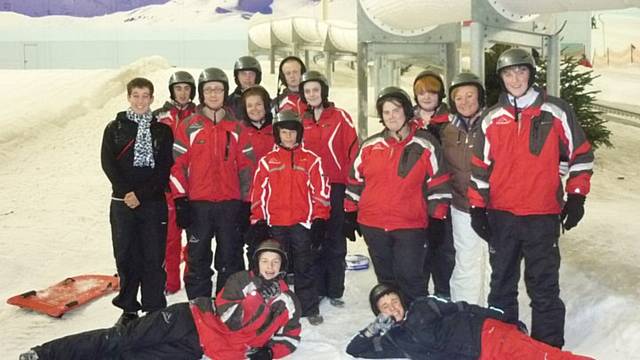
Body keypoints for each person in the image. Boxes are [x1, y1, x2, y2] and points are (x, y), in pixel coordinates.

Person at [468, 48, 595, 348]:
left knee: (544, 286)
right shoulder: (491, 118)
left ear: (531, 74)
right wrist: (477, 207)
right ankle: (503, 345)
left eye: (521, 71)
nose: (515, 78)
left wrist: (576, 197)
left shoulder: (556, 110)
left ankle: (548, 348)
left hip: (542, 214)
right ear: (501, 78)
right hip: (502, 216)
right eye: (508, 73)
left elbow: (581, 154)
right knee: (501, 285)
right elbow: (479, 169)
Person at [19, 239, 302, 360]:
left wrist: (270, 352)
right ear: (257, 263)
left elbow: (291, 337)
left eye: (275, 262)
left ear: (282, 267)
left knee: (133, 358)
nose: (269, 266)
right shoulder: (241, 280)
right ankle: (45, 354)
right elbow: (229, 319)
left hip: (198, 349)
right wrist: (258, 301)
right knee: (119, 339)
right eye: (264, 260)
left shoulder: (288, 302)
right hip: (186, 320)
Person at [344, 87, 451, 305]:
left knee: (411, 278)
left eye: (396, 110)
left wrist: (437, 218)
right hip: (373, 224)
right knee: (386, 281)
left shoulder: (425, 143)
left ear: (407, 112)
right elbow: (355, 181)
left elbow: (439, 184)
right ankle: (393, 325)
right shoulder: (370, 146)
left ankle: (418, 322)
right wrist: (349, 211)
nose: (392, 116)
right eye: (386, 112)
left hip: (409, 225)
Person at [170, 67, 253, 299]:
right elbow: (177, 167)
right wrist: (180, 200)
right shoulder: (189, 127)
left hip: (230, 204)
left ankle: (228, 305)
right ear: (202, 94)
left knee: (231, 258)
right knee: (198, 258)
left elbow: (247, 169)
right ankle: (200, 307)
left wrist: (246, 203)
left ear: (225, 93)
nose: (214, 94)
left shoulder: (237, 128)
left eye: (219, 89)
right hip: (199, 206)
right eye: (209, 90)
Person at [345, 283, 594, 359]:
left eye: (394, 300)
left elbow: (463, 307)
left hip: (487, 335)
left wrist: (504, 319)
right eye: (384, 306)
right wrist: (376, 327)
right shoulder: (393, 341)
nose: (392, 307)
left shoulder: (423, 305)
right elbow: (354, 349)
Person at [100, 77, 173, 326]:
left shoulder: (162, 131)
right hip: (122, 202)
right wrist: (127, 192)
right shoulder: (115, 128)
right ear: (129, 97)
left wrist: (140, 194)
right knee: (126, 255)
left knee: (153, 255)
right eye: (136, 95)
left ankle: (153, 304)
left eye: (145, 96)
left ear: (152, 98)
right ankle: (128, 306)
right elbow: (108, 163)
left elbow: (164, 168)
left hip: (152, 202)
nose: (141, 101)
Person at [249, 110, 330, 325]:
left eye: (292, 132)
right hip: (275, 224)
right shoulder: (268, 161)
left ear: (299, 133)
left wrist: (320, 219)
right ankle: (272, 306)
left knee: (304, 264)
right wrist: (259, 220)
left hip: (301, 223)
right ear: (277, 134)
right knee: (273, 266)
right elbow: (258, 192)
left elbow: (320, 191)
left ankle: (308, 307)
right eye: (284, 132)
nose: (288, 137)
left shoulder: (311, 160)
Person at [428, 72, 491, 305]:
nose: (465, 102)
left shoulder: (492, 123)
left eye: (470, 95)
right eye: (459, 98)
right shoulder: (446, 131)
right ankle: (464, 309)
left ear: (480, 97)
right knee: (466, 259)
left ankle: (491, 311)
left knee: (493, 261)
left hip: (492, 205)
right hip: (462, 206)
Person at [298, 70, 359, 307]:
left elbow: (354, 155)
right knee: (313, 239)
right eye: (307, 91)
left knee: (335, 239)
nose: (312, 94)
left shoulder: (340, 117)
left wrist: (351, 194)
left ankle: (334, 289)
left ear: (323, 91)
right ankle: (317, 288)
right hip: (309, 190)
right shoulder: (300, 120)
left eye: (316, 89)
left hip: (335, 186)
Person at [153, 70, 197, 295]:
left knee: (194, 238)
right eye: (178, 88)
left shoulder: (199, 114)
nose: (182, 93)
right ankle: (170, 283)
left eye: (187, 88)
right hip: (168, 183)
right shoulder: (160, 115)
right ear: (172, 90)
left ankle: (193, 282)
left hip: (194, 183)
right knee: (170, 237)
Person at [412, 70, 455, 300]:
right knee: (419, 248)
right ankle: (420, 297)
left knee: (442, 246)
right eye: (421, 92)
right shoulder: (408, 121)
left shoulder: (451, 121)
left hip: (444, 193)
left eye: (432, 92)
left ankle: (443, 292)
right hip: (414, 196)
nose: (427, 97)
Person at [237, 85, 275, 268]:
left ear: (266, 105)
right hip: (248, 199)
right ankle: (256, 288)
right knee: (254, 245)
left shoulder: (277, 131)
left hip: (276, 199)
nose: (254, 109)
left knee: (276, 245)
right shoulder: (238, 132)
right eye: (249, 106)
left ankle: (279, 287)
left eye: (258, 104)